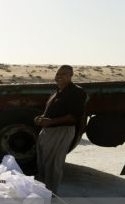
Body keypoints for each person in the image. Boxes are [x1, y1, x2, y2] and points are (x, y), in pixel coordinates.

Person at [34, 65, 86, 195]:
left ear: (71, 75)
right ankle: (44, 190)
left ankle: (51, 192)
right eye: (58, 73)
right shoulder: (57, 91)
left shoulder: (76, 92)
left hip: (62, 131)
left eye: (64, 74)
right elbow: (51, 112)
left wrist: (51, 121)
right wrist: (41, 118)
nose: (59, 76)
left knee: (54, 163)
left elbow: (73, 116)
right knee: (43, 161)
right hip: (49, 131)